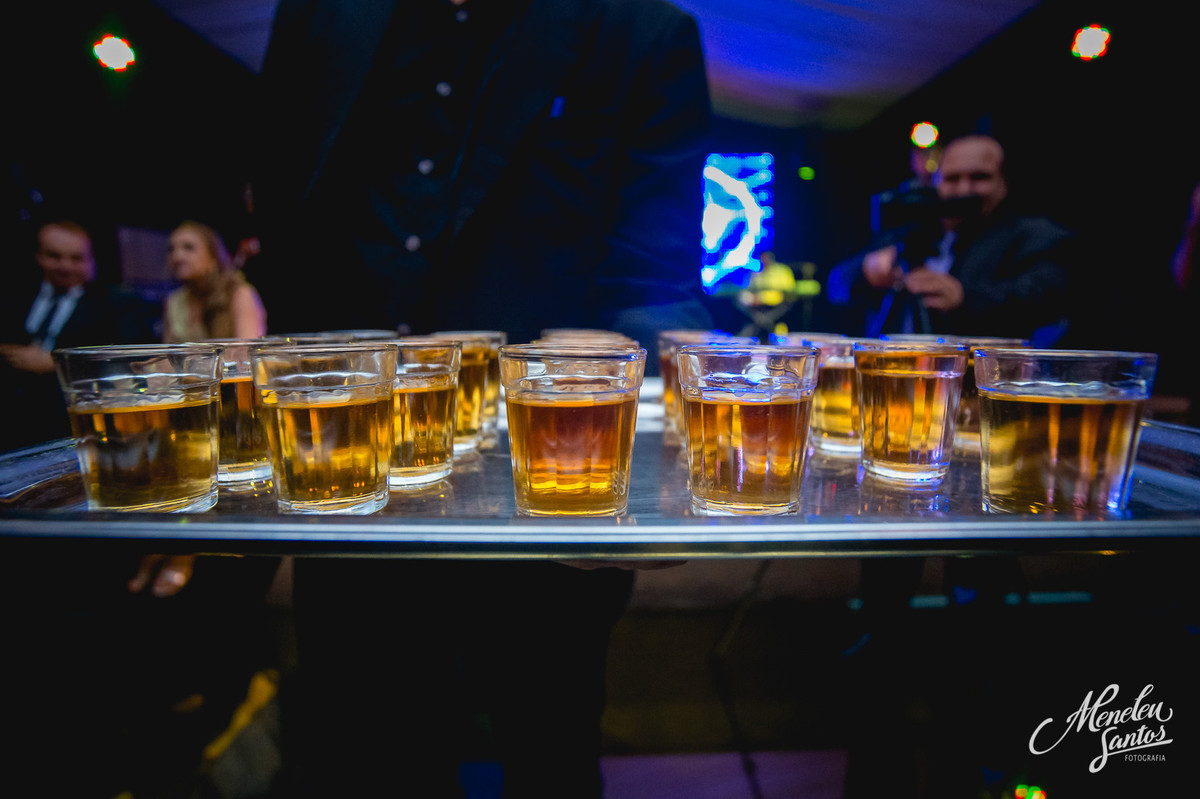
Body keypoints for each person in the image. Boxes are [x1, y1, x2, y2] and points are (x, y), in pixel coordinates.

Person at [252, 0, 713, 795]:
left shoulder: (639, 30)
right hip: (352, 480)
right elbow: (286, 219)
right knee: (363, 754)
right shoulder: (318, 17)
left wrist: (654, 441)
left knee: (549, 748)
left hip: (544, 488)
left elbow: (653, 270)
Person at [828, 134, 1076, 343]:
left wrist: (964, 297)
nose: (964, 189)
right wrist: (867, 270)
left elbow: (1045, 299)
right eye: (952, 178)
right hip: (894, 375)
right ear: (936, 182)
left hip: (979, 381)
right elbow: (836, 285)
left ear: (1004, 182)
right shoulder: (910, 231)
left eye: (979, 178)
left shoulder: (1033, 235)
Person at [0, 220, 122, 449]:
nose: (65, 266)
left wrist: (54, 363)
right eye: (54, 256)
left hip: (68, 423)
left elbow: (118, 364)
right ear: (38, 256)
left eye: (76, 259)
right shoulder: (13, 298)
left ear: (90, 262)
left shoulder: (111, 306)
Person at [162, 220, 267, 342]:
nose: (177, 256)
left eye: (188, 248)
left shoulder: (239, 294)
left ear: (213, 256)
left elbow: (247, 351)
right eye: (171, 249)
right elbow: (169, 355)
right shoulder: (174, 301)